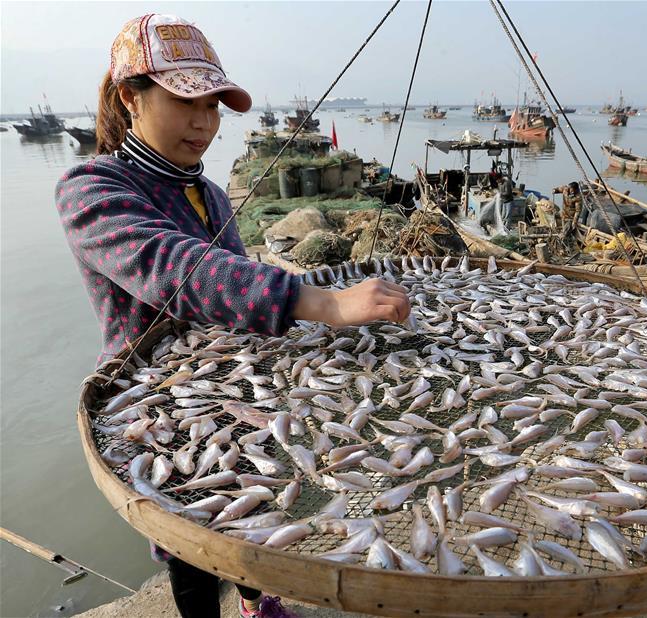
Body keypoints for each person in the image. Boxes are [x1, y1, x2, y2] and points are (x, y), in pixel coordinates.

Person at [55, 14, 411, 618]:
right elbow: (172, 267)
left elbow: (234, 289)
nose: (204, 122)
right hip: (159, 403)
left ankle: (256, 601)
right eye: (183, 100)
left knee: (249, 499)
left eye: (214, 104)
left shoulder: (211, 192)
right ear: (129, 98)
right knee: (190, 537)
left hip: (235, 379)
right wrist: (321, 302)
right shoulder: (91, 186)